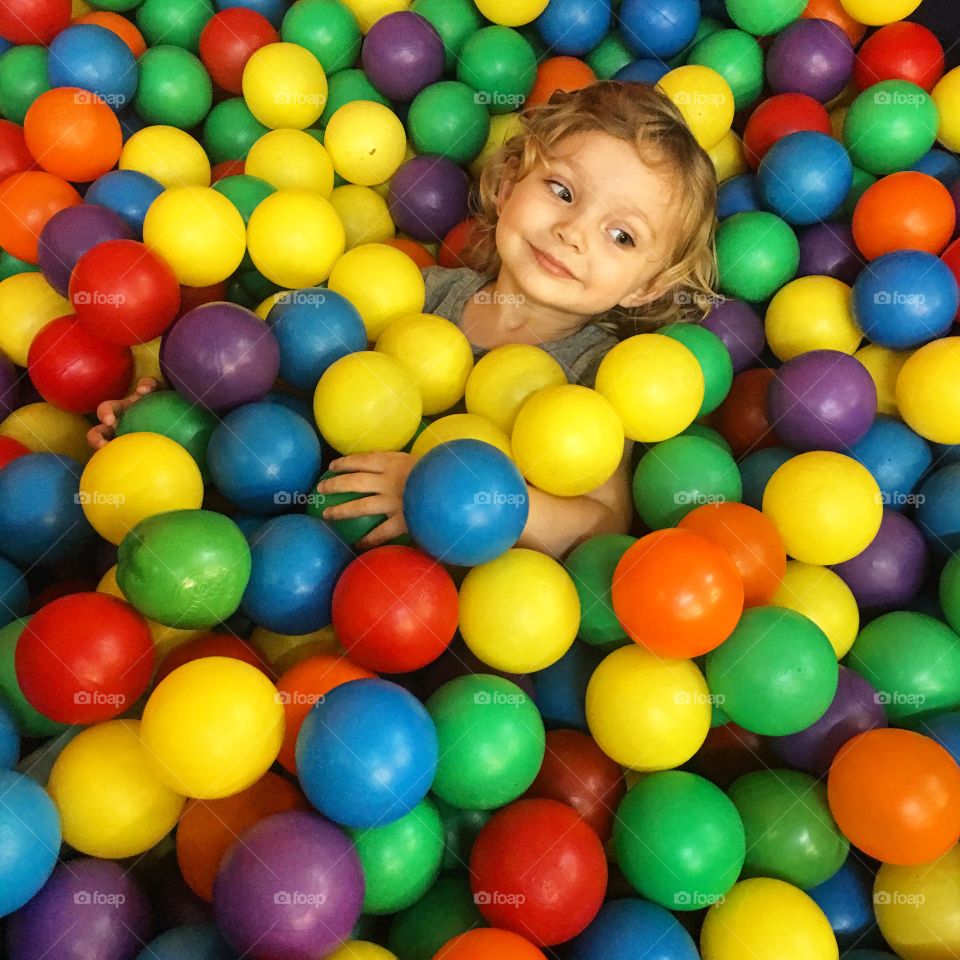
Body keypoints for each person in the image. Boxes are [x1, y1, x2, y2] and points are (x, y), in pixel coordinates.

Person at [90, 80, 718, 559]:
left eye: (622, 236)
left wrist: (438, 493)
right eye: (561, 190)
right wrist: (174, 416)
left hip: (435, 607)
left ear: (647, 289)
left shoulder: (601, 381)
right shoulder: (413, 294)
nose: (573, 232)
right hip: (284, 537)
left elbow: (602, 521)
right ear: (507, 185)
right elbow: (280, 368)